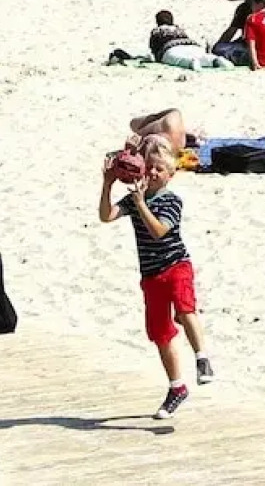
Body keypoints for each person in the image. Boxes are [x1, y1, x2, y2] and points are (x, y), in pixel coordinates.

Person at [98, 139, 214, 419]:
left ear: (170, 175)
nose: (152, 173)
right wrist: (107, 184)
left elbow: (159, 231)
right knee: (159, 332)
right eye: (149, 167)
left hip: (176, 265)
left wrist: (140, 204)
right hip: (151, 274)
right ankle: (176, 387)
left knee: (185, 308)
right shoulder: (135, 198)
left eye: (159, 169)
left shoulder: (172, 200)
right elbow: (106, 216)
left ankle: (202, 359)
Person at [148, 11, 232, 70]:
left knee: (178, 59)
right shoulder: (178, 29)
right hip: (191, 45)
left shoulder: (157, 31)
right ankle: (216, 60)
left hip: (170, 47)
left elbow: (154, 49)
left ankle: (190, 63)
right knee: (202, 56)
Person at [211, 0, 265, 66]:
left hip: (252, 49)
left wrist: (218, 46)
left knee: (220, 49)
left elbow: (232, 32)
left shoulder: (246, 10)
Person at [126, 108, 203, 156]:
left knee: (133, 123)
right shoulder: (166, 127)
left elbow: (136, 138)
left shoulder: (177, 144)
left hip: (173, 119)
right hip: (172, 117)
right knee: (133, 124)